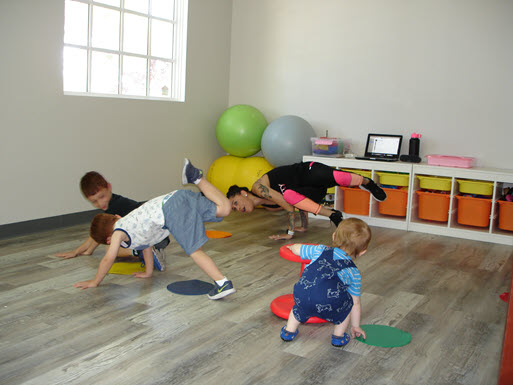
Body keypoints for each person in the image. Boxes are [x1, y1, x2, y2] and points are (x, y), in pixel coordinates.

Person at [73, 159, 236, 300]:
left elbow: (108, 259)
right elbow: (147, 246)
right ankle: (196, 177)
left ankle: (222, 283)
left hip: (171, 210)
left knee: (194, 251)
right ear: (116, 216)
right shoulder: (131, 226)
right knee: (223, 209)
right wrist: (148, 272)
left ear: (109, 239)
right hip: (176, 197)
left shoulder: (118, 232)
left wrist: (95, 282)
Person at [227, 161, 386, 240]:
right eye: (234, 209)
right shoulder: (270, 207)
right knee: (290, 195)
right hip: (313, 192)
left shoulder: (258, 187)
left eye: (235, 202)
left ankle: (367, 182)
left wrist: (289, 233)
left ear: (243, 193)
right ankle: (334, 215)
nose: (237, 208)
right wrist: (304, 225)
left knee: (340, 177)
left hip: (308, 172)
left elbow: (288, 207)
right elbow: (297, 203)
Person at [279, 217, 370, 347]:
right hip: (330, 303)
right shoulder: (353, 272)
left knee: (298, 308)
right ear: (362, 252)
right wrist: (356, 326)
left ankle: (289, 331)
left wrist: (293, 247)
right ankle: (338, 337)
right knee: (347, 306)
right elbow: (355, 304)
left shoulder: (320, 250)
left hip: (302, 297)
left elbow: (298, 249)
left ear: (334, 236)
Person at [56, 171, 168, 271]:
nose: (100, 204)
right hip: (156, 236)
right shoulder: (113, 202)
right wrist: (86, 250)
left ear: (109, 187)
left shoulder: (116, 205)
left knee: (110, 247)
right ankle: (148, 251)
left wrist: (77, 251)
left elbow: (100, 235)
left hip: (155, 238)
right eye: (94, 202)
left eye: (102, 197)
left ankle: (140, 252)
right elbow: (97, 236)